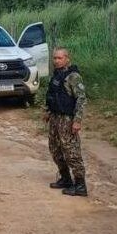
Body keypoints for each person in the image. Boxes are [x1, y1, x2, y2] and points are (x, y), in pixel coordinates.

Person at [44, 48, 88, 197]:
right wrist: (48, 112)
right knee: (55, 149)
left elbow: (81, 99)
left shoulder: (73, 76)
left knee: (71, 151)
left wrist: (77, 120)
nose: (56, 61)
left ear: (67, 59)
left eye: (60, 58)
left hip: (67, 119)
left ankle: (80, 185)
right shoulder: (56, 76)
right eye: (55, 58)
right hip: (56, 118)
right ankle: (66, 178)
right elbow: (52, 96)